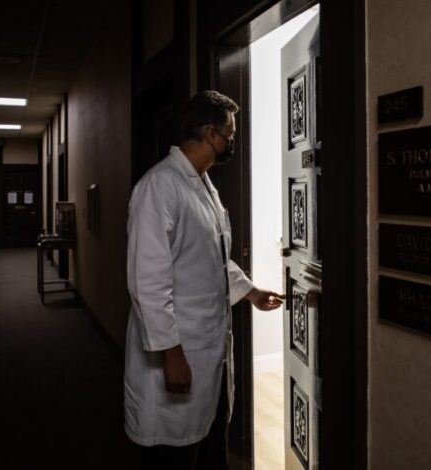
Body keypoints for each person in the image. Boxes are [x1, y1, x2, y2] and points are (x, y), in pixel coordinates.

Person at [124, 90, 283, 469]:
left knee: (211, 446)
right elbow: (147, 281)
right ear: (212, 134)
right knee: (173, 458)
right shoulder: (160, 187)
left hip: (209, 353)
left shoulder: (203, 185)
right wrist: (171, 353)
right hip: (178, 354)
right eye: (231, 133)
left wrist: (250, 292)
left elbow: (211, 259)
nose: (232, 142)